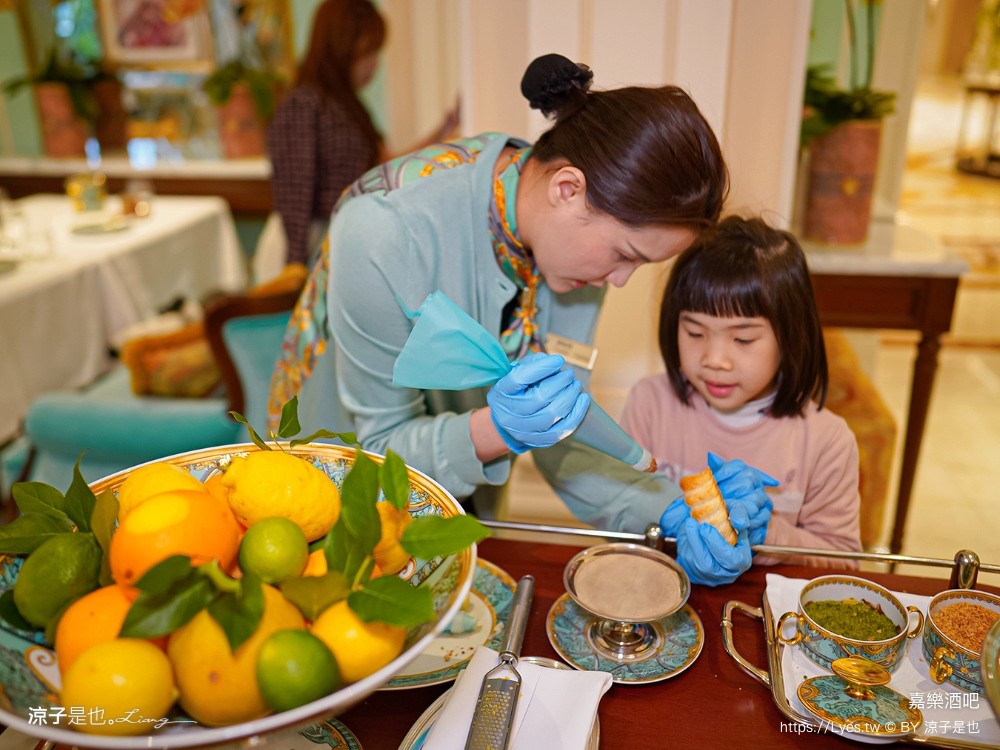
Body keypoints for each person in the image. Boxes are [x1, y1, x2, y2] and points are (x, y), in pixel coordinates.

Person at [269, 53, 767, 583]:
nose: (620, 281)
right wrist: (497, 430)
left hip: (458, 503)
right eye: (625, 255)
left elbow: (563, 435)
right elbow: (377, 452)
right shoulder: (383, 230)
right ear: (567, 189)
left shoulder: (574, 252)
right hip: (329, 499)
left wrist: (667, 508)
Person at [621, 215, 863, 581]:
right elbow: (618, 523)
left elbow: (844, 563)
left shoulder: (827, 441)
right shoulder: (650, 404)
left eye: (743, 339)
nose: (715, 360)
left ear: (791, 336)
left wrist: (767, 535)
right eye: (695, 333)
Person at [266, 0, 458, 267]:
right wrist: (296, 265)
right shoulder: (304, 104)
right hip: (310, 245)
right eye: (368, 53)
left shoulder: (346, 106)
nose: (374, 64)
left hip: (340, 238)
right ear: (342, 47)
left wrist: (442, 132)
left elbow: (384, 165)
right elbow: (294, 194)